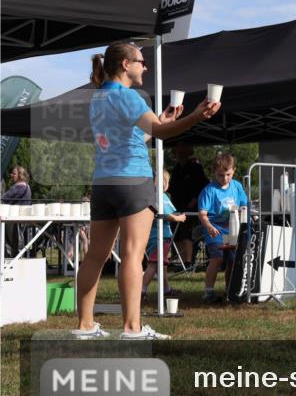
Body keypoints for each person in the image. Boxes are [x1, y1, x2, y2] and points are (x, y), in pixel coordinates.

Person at [73, 42, 219, 340]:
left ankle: (84, 326)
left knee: (94, 256)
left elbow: (136, 135)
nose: (145, 66)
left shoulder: (98, 98)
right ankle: (132, 329)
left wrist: (160, 122)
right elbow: (161, 133)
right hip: (133, 182)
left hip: (103, 183)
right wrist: (195, 116)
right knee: (132, 255)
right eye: (141, 61)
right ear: (126, 65)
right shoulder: (131, 97)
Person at [198, 152, 248, 303]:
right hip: (215, 229)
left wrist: (243, 212)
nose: (224, 178)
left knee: (233, 260)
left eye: (228, 174)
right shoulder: (209, 190)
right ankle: (208, 292)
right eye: (220, 175)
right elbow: (202, 214)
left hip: (233, 228)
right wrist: (208, 226)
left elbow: (244, 205)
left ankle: (230, 290)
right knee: (217, 258)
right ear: (214, 173)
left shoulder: (237, 186)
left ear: (234, 171)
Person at [141, 170, 185, 302]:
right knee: (154, 264)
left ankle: (166, 289)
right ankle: (141, 289)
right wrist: (177, 218)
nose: (166, 184)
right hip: (157, 238)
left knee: (163, 265)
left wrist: (178, 215)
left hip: (164, 237)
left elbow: (172, 211)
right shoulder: (154, 197)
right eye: (163, 181)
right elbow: (163, 214)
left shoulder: (164, 197)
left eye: (167, 181)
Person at [168, 143, 208, 269]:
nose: (179, 155)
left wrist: (195, 199)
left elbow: (203, 184)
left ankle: (188, 262)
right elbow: (172, 187)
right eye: (177, 153)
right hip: (176, 207)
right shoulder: (176, 169)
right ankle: (180, 259)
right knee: (176, 234)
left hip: (191, 208)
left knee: (186, 234)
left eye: (182, 152)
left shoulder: (196, 167)